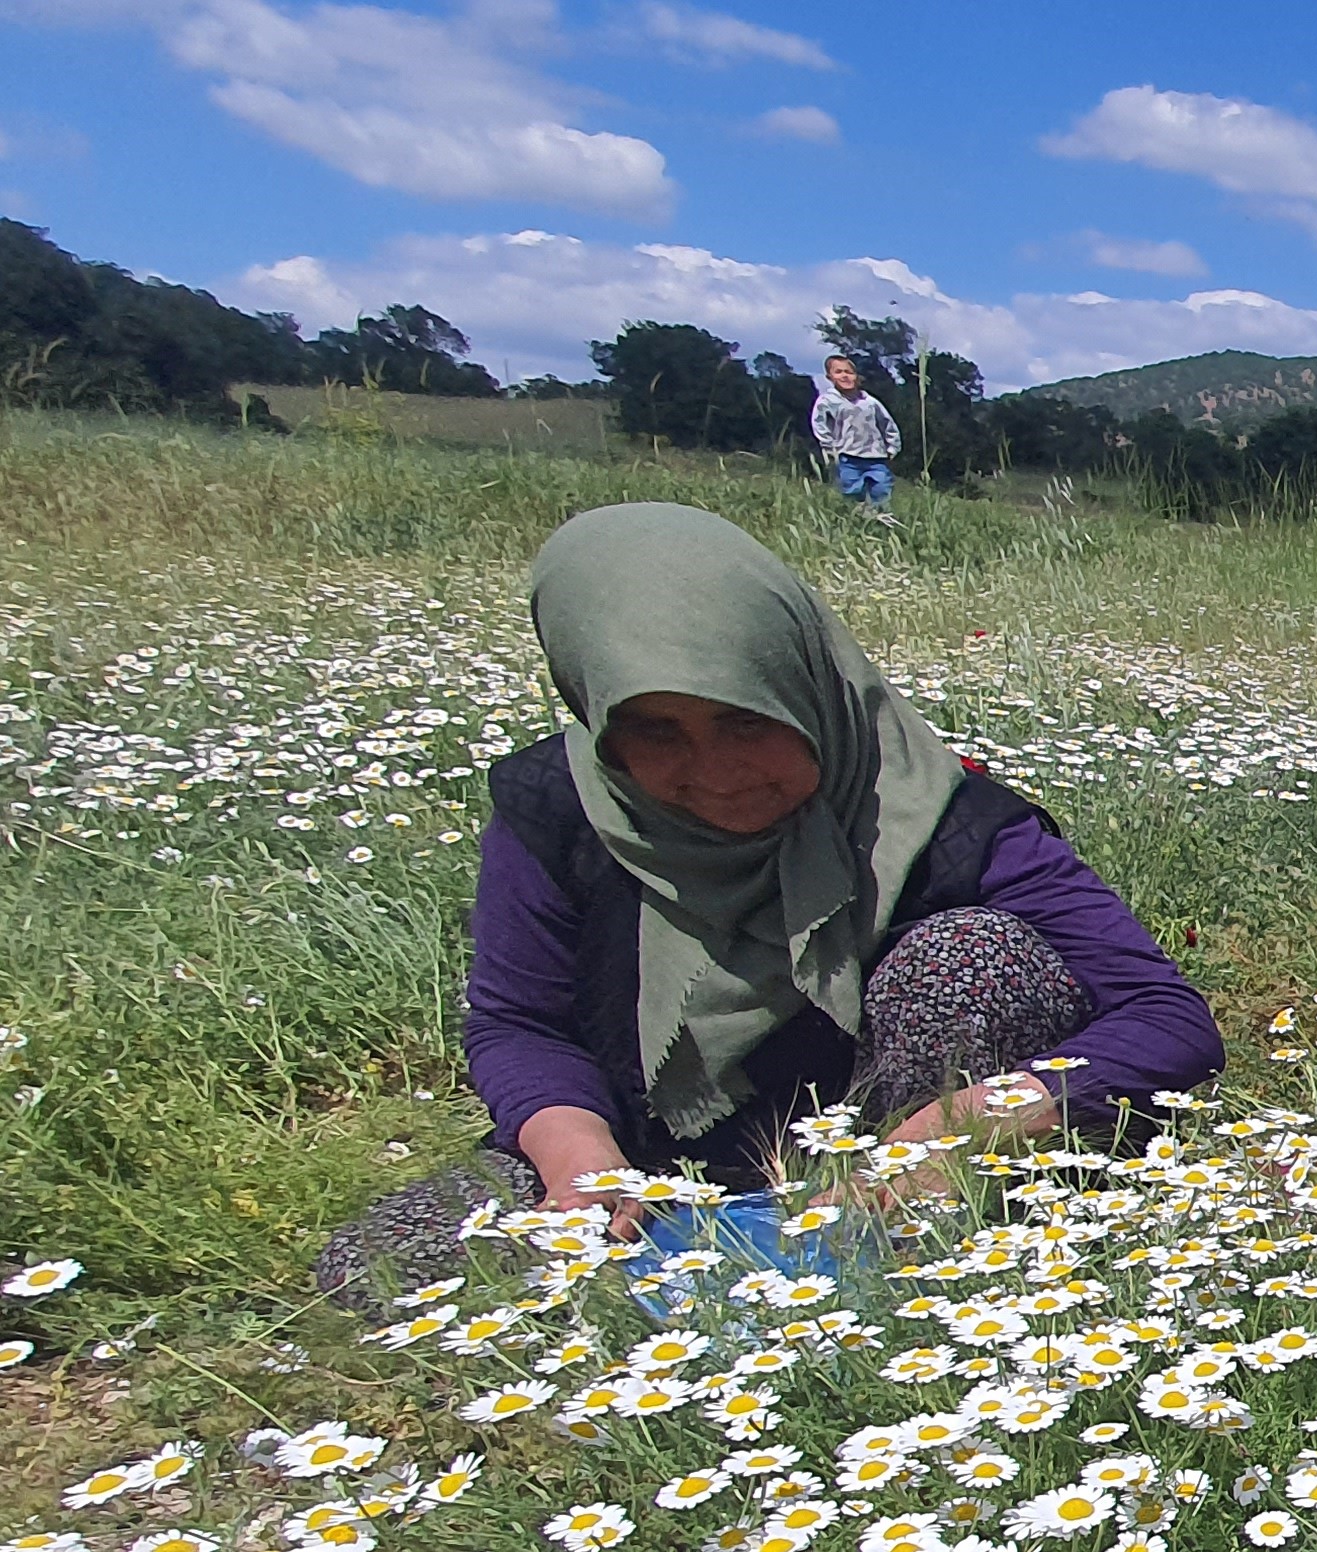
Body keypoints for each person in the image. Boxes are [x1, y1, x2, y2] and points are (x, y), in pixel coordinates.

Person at [314, 501, 1222, 1299]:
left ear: (806, 686)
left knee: (975, 956)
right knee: (378, 1268)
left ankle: (902, 1257)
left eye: (749, 720)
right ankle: (662, 1307)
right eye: (655, 732)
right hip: (648, 1152)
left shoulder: (935, 815)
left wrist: (961, 1128)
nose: (715, 773)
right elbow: (519, 1025)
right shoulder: (563, 812)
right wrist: (579, 1163)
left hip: (885, 1150)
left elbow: (1165, 1017)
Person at [812, 355, 900, 515]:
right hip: (847, 456)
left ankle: (881, 518)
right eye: (838, 372)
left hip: (875, 456)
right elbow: (819, 424)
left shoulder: (870, 402)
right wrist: (829, 446)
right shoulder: (827, 401)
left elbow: (887, 423)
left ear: (856, 376)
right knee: (851, 491)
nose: (845, 376)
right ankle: (857, 518)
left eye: (849, 372)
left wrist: (893, 446)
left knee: (881, 489)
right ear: (829, 377)